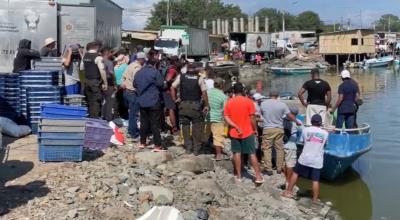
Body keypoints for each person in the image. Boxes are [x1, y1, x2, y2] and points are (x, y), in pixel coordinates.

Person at [283, 114, 329, 203]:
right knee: (315, 180)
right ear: (320, 123)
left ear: (311, 122)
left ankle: (288, 192)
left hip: (304, 158)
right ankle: (315, 200)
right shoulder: (325, 133)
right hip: (317, 160)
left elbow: (302, 141)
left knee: (295, 174)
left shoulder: (305, 130)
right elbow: (325, 145)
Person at [223, 83, 264, 183]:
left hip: (234, 132)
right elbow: (252, 117)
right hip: (248, 131)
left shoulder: (229, 102)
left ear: (233, 91)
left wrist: (235, 126)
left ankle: (239, 176)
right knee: (251, 153)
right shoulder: (249, 102)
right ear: (243, 90)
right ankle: (258, 177)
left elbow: (226, 117)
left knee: (237, 153)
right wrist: (255, 129)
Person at [260, 90, 301, 176]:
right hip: (279, 129)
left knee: (267, 148)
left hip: (268, 128)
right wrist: (296, 121)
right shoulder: (282, 104)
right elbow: (289, 115)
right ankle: (279, 168)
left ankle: (269, 168)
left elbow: (261, 115)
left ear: (269, 95)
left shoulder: (263, 104)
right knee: (279, 148)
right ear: (277, 95)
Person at [171, 63, 209, 155]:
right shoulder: (199, 78)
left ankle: (188, 147)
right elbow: (204, 93)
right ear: (195, 70)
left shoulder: (181, 77)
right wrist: (207, 105)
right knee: (197, 127)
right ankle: (196, 149)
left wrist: (174, 99)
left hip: (183, 105)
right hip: (195, 106)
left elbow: (172, 87)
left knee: (185, 127)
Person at [133, 57, 165, 152]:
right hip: (153, 100)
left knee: (143, 122)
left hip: (142, 100)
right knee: (154, 123)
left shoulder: (139, 72)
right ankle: (157, 145)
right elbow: (161, 85)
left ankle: (142, 142)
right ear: (155, 64)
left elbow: (134, 84)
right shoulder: (155, 72)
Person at [121, 52, 146, 139]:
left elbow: (123, 77)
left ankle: (131, 130)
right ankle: (133, 132)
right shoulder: (137, 68)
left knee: (131, 113)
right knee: (133, 114)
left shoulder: (130, 64)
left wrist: (123, 83)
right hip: (133, 92)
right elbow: (137, 81)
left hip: (127, 91)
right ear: (141, 59)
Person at [82, 42, 107, 118]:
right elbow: (102, 70)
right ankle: (96, 120)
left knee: (89, 101)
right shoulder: (98, 57)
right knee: (96, 101)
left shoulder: (85, 56)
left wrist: (83, 80)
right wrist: (105, 83)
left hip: (87, 81)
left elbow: (81, 69)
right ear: (96, 47)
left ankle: (90, 118)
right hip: (95, 82)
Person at [207, 77, 228, 160]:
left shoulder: (207, 92)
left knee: (209, 135)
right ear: (222, 85)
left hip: (207, 117)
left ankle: (208, 149)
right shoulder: (223, 96)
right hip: (217, 118)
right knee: (218, 137)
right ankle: (218, 154)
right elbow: (225, 111)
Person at [282, 106, 302, 189]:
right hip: (291, 146)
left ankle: (283, 179)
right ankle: (287, 181)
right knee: (290, 164)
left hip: (280, 144)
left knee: (283, 163)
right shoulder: (298, 122)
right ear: (296, 114)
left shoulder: (281, 119)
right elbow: (302, 136)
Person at [163, 57, 180, 133]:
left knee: (172, 109)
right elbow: (168, 79)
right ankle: (174, 128)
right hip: (169, 92)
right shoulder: (172, 70)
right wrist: (177, 80)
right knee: (171, 109)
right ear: (175, 62)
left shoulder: (170, 68)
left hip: (168, 92)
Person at [100, 47, 116, 121]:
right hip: (108, 83)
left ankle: (102, 115)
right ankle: (108, 117)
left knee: (103, 100)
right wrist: (115, 82)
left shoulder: (99, 61)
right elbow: (111, 73)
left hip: (100, 83)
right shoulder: (109, 62)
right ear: (107, 53)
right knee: (109, 101)